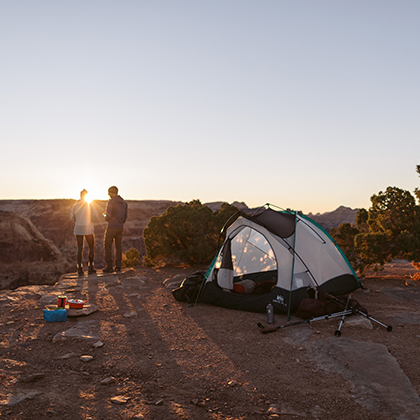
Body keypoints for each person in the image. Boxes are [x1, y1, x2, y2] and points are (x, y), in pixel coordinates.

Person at [70, 189, 98, 276]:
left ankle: (79, 268)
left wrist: (78, 221)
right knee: (91, 247)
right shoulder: (90, 205)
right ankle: (90, 266)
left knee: (79, 248)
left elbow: (72, 217)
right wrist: (90, 220)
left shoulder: (75, 206)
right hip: (88, 229)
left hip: (78, 229)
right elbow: (95, 216)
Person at [103, 186, 128, 273]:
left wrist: (105, 215)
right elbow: (125, 217)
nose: (108, 194)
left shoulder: (111, 202)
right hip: (120, 227)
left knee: (107, 245)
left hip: (111, 227)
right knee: (118, 246)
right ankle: (118, 267)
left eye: (109, 193)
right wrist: (120, 222)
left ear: (112, 193)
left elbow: (108, 216)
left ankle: (109, 267)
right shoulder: (124, 203)